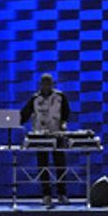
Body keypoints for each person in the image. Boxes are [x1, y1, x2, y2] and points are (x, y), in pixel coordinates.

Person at [21, 73, 72, 206]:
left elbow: (66, 113)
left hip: (57, 135)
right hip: (40, 136)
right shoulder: (35, 99)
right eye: (44, 83)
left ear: (52, 84)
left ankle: (62, 193)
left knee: (60, 164)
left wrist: (64, 122)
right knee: (43, 165)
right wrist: (14, 122)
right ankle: (46, 194)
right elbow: (24, 114)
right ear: (40, 85)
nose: (47, 86)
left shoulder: (60, 97)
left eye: (49, 83)